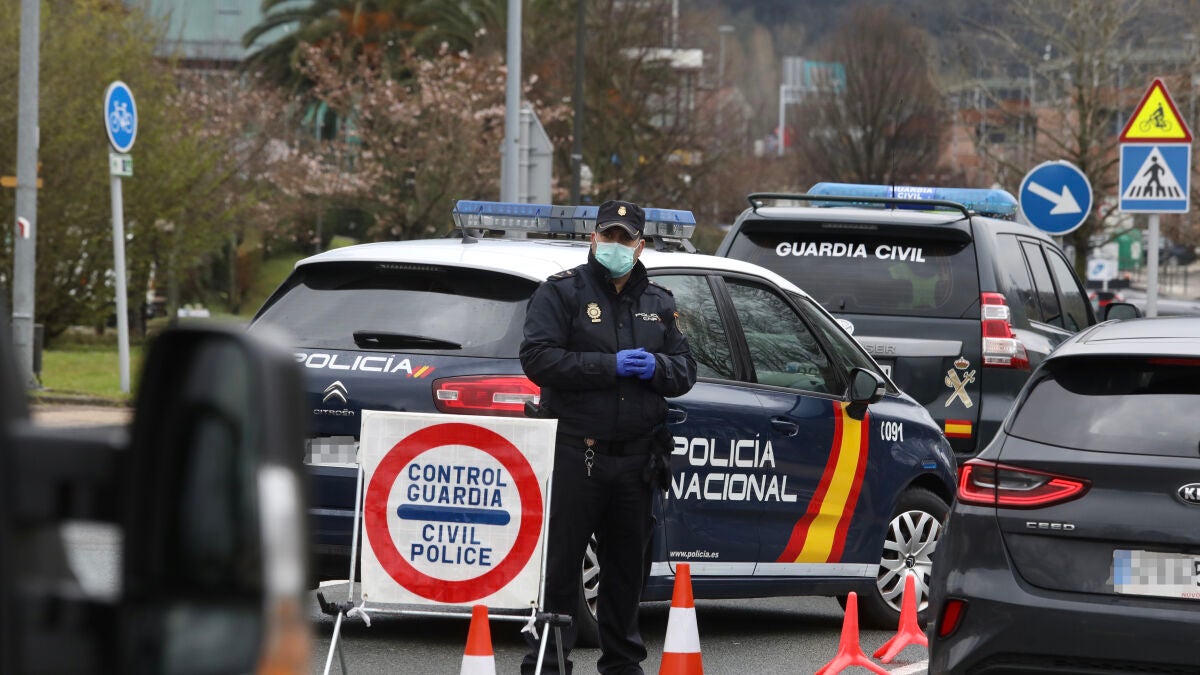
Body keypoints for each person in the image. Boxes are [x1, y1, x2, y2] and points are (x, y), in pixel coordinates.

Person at [519, 199, 697, 674]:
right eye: (608, 235)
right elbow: (537, 359)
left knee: (625, 572)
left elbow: (685, 370)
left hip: (636, 460)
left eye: (624, 238)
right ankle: (549, 663)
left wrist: (656, 366)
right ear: (593, 238)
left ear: (640, 246)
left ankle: (622, 665)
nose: (615, 244)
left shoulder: (658, 302)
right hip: (578, 452)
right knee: (560, 568)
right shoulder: (562, 293)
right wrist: (608, 366)